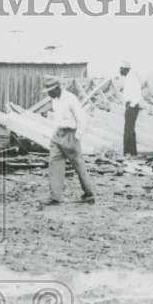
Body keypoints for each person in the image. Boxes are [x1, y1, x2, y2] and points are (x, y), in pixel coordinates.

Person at [41, 76, 94, 206]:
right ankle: (55, 197)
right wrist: (54, 133)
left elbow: (82, 119)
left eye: (50, 91)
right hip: (59, 134)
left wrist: (77, 137)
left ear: (57, 88)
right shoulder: (55, 100)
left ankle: (89, 194)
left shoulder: (71, 98)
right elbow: (59, 119)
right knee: (54, 163)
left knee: (79, 165)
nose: (48, 93)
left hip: (71, 135)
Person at [120, 60, 142, 156]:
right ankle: (132, 152)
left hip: (132, 106)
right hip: (130, 106)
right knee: (130, 129)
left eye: (121, 68)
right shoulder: (129, 78)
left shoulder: (132, 78)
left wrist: (131, 106)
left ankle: (127, 152)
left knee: (128, 130)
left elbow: (138, 94)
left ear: (125, 69)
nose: (120, 70)